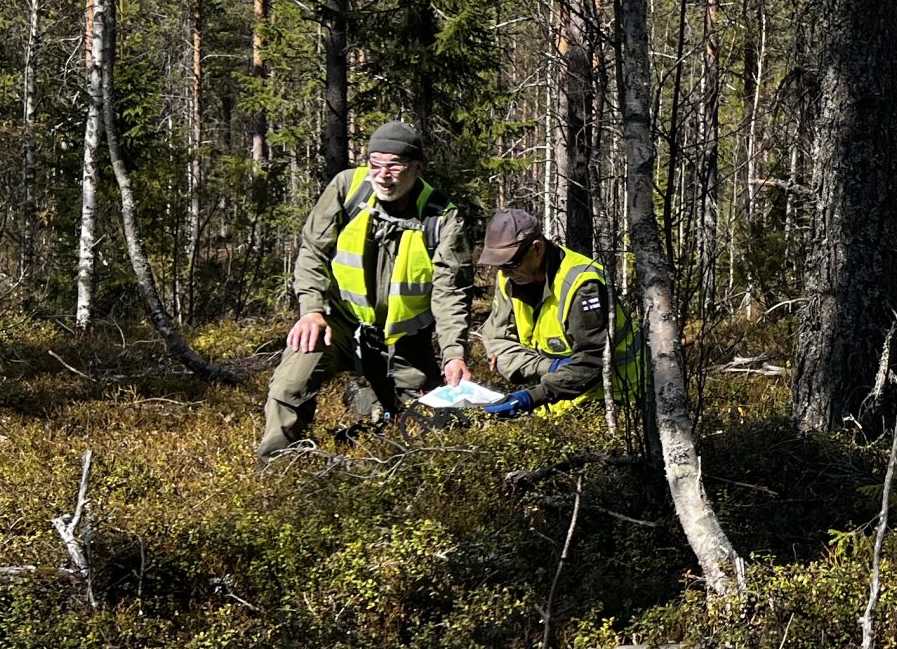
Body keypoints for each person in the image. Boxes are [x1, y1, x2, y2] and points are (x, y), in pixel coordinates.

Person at [257, 120, 476, 460]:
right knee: (290, 385)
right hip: (339, 324)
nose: (382, 174)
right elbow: (313, 251)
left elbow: (450, 294)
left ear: (417, 168)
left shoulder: (442, 220)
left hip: (404, 340)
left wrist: (454, 355)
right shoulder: (348, 188)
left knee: (436, 425)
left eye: (394, 166)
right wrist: (312, 310)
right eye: (375, 164)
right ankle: (278, 471)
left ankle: (370, 402)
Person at [473, 206, 645, 425]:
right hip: (556, 398)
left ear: (536, 249)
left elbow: (593, 361)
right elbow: (497, 342)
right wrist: (548, 368)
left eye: (511, 264)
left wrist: (531, 397)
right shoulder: (509, 278)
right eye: (499, 266)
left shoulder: (581, 285)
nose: (504, 273)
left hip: (613, 399)